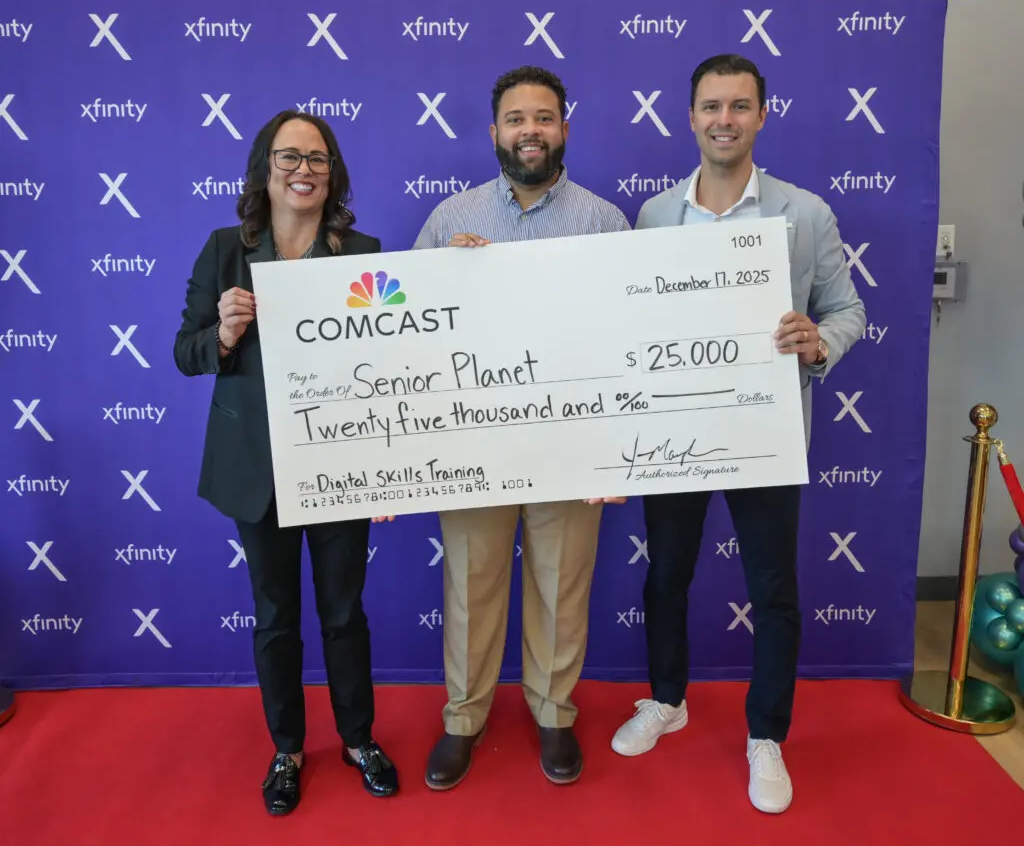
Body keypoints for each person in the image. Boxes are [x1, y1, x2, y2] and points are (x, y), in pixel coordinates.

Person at [609, 54, 866, 814]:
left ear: (761, 116)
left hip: (767, 432)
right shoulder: (655, 216)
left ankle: (766, 735)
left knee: (774, 588)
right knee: (666, 576)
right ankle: (667, 700)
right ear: (688, 117)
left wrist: (817, 340)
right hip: (675, 433)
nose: (725, 119)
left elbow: (850, 310)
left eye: (740, 106)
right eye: (711, 106)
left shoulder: (804, 213)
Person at [173, 110, 399, 816]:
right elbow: (185, 352)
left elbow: (391, 359)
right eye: (289, 156)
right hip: (257, 470)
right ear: (264, 169)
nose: (304, 169)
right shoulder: (223, 251)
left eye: (318, 159)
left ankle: (359, 739)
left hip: (340, 465)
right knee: (274, 616)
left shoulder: (363, 252)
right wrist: (226, 333)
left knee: (343, 613)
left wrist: (398, 462)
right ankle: (288, 750)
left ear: (333, 175)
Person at [411, 65, 630, 790]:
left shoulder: (604, 222)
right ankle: (464, 718)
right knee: (471, 585)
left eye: (543, 117)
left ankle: (555, 713)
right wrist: (448, 278)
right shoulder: (449, 220)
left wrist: (613, 455)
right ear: (493, 132)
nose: (529, 130)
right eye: (515, 119)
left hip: (570, 443)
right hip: (477, 441)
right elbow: (407, 336)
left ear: (564, 127)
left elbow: (627, 341)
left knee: (562, 582)